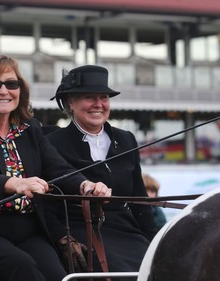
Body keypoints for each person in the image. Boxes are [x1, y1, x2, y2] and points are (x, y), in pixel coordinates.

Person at [0, 55, 112, 281]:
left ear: (20, 91)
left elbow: (58, 169)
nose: (4, 91)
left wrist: (87, 186)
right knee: (22, 267)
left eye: (11, 84)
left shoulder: (30, 128)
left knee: (59, 274)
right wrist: (17, 183)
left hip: (26, 229)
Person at [45, 65, 158, 275]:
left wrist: (157, 240)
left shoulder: (127, 139)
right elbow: (45, 204)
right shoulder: (52, 143)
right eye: (90, 97)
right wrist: (62, 238)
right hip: (82, 230)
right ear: (71, 102)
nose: (98, 104)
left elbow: (140, 200)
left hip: (126, 230)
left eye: (104, 97)